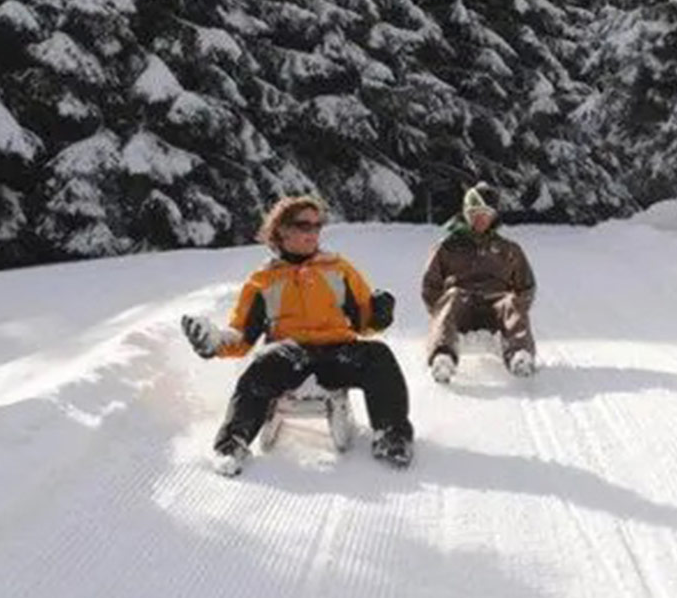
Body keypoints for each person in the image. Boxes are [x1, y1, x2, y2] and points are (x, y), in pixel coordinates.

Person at [182, 195, 414, 475]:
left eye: (318, 225)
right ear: (282, 230)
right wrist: (214, 343)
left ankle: (391, 436)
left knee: (378, 355)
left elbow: (364, 322)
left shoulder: (338, 269)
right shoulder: (264, 280)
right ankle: (232, 444)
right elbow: (241, 337)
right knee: (260, 367)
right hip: (290, 354)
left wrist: (379, 314)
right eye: (305, 225)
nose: (313, 232)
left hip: (337, 353)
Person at [419, 184, 538, 383]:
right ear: (466, 214)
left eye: (486, 214)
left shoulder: (508, 250)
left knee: (510, 300)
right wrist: (439, 313)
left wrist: (518, 309)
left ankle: (519, 355)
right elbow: (430, 286)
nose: (480, 218)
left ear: (494, 217)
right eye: (474, 213)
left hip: (497, 308)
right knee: (451, 296)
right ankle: (443, 357)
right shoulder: (447, 247)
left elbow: (526, 287)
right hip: (461, 306)